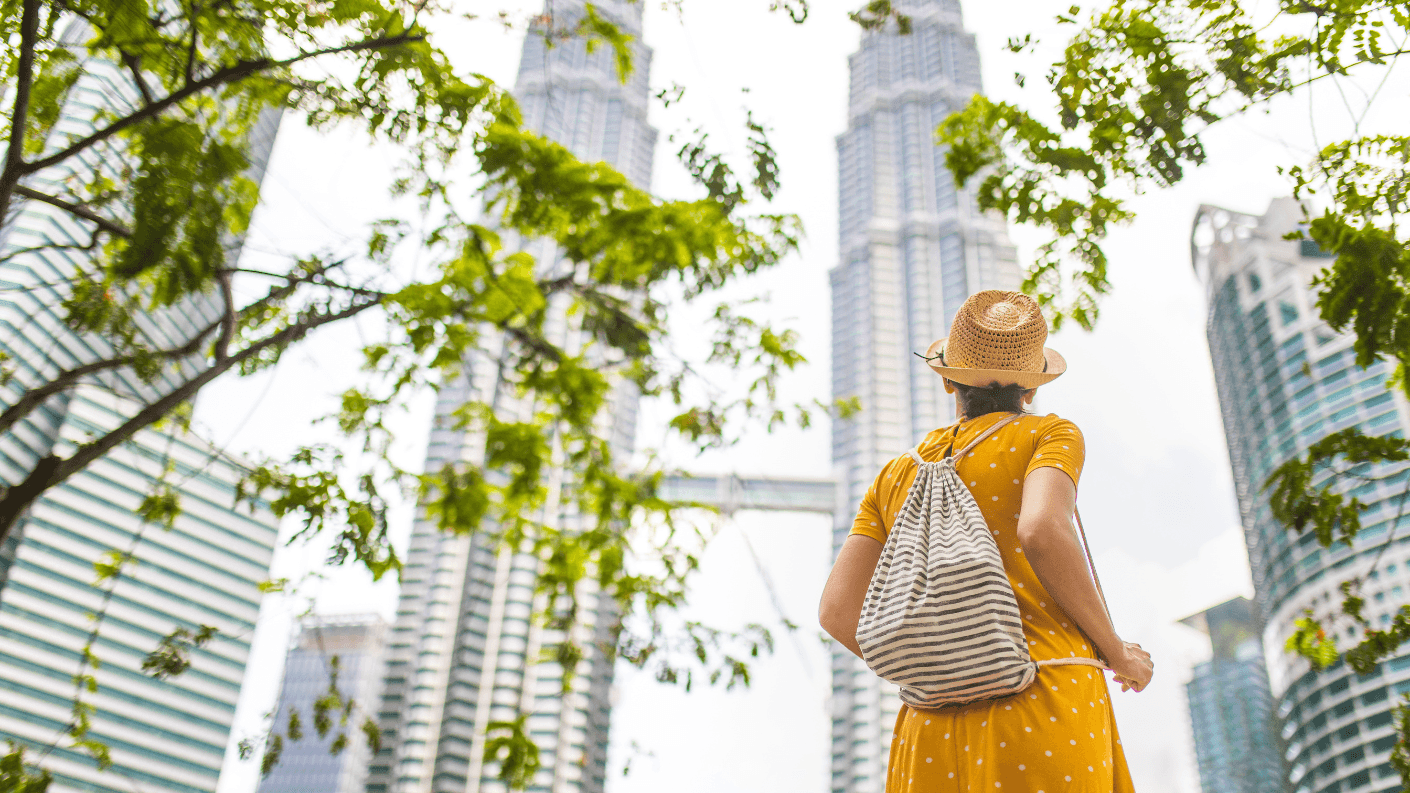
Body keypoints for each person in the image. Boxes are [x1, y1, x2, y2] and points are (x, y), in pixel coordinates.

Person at [819, 290, 1153, 792]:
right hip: (1043, 694)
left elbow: (836, 612)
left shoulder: (895, 476)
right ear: (1030, 389)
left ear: (948, 380)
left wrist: (946, 667)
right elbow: (1041, 530)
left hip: (928, 727)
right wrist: (1117, 651)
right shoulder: (1048, 435)